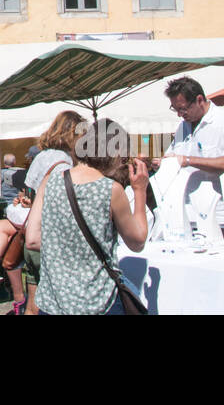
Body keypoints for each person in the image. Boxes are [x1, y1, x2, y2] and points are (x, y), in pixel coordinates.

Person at [25, 118, 149, 315]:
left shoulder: (50, 181)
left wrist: (64, 248)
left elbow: (31, 240)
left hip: (54, 302)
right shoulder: (111, 190)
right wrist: (140, 191)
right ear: (114, 152)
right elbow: (137, 241)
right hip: (97, 301)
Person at [19, 112, 85, 316]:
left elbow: (28, 192)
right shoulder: (66, 164)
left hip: (32, 234)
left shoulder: (41, 156)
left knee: (32, 303)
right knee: (52, 305)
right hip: (51, 240)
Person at [159, 77, 224, 185]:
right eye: (175, 109)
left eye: (182, 109)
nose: (179, 114)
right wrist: (163, 162)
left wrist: (188, 160)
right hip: (184, 199)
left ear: (199, 100)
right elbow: (174, 156)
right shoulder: (183, 126)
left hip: (218, 199)